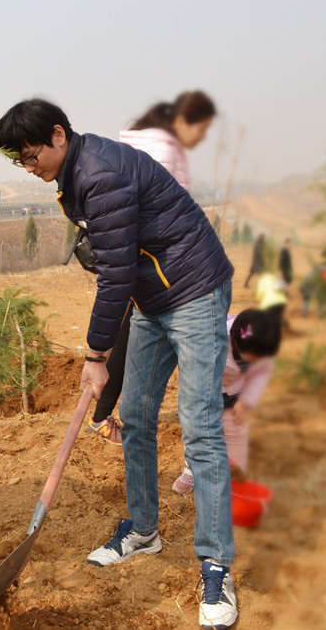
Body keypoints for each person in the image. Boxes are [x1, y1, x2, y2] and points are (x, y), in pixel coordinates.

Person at [0, 99, 237, 630]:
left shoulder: (100, 173)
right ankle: (143, 531)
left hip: (194, 291)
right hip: (155, 298)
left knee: (199, 431)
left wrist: (96, 355)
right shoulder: (76, 171)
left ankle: (217, 565)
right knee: (135, 415)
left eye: (31, 155)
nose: (28, 167)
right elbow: (118, 263)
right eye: (19, 162)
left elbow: (116, 274)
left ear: (59, 135)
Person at [87, 91, 217, 444]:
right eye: (201, 129)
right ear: (182, 122)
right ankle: (102, 416)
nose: (201, 138)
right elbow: (171, 212)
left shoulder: (131, 144)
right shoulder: (162, 148)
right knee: (131, 338)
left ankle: (104, 414)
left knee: (123, 335)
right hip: (155, 267)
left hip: (138, 261)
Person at [173, 309, 280, 495]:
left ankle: (236, 476)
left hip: (236, 391)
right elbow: (191, 367)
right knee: (197, 431)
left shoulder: (263, 347)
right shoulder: (211, 339)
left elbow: (261, 374)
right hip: (202, 389)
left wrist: (246, 401)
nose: (256, 362)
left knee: (237, 430)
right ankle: (193, 469)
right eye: (251, 358)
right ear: (235, 343)